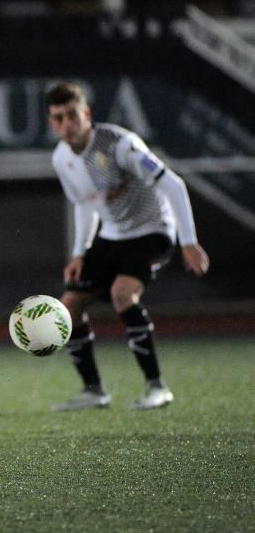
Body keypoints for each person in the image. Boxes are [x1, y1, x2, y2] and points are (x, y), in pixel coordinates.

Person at [45, 82, 210, 412]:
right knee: (70, 305)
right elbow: (85, 205)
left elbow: (174, 185)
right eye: (58, 118)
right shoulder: (62, 159)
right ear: (52, 123)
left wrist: (188, 242)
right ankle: (93, 391)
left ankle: (156, 386)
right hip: (114, 235)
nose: (66, 125)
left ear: (87, 115)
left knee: (123, 294)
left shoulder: (121, 145)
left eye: (72, 116)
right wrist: (79, 252)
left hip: (153, 230)